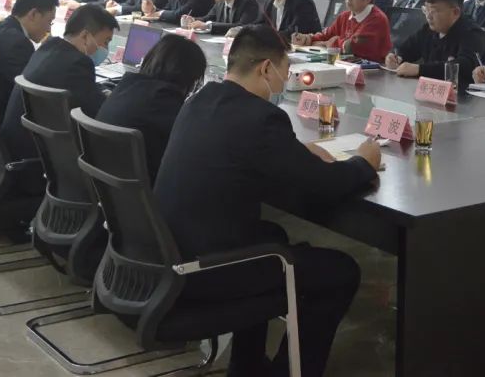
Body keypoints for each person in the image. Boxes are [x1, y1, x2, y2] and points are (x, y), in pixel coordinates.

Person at [155, 25, 381, 377]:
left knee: (272, 234)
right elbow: (323, 185)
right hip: (208, 269)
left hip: (170, 253)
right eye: (285, 70)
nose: (284, 80)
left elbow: (247, 151)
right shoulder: (261, 118)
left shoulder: (200, 99)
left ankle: (246, 366)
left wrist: (293, 153)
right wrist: (364, 163)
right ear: (265, 69)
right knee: (341, 272)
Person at [0, 5, 118, 195]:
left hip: (16, 149)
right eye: (105, 41)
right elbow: (100, 115)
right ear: (85, 36)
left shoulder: (48, 48)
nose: (105, 49)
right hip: (37, 164)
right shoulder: (78, 63)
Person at [96, 35, 206, 183]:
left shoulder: (125, 87)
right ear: (188, 77)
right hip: (142, 192)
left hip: (102, 185)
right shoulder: (165, 104)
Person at [385, 0, 485, 88]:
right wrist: (396, 57)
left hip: (463, 94)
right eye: (426, 9)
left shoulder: (472, 33)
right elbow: (406, 48)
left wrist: (420, 69)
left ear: (455, 12)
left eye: (434, 11)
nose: (428, 16)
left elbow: (464, 66)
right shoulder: (428, 30)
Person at [293, 0, 392, 62]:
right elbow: (327, 35)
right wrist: (307, 39)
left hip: (373, 71)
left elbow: (352, 47)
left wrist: (328, 43)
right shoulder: (345, 16)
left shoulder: (377, 19)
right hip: (346, 65)